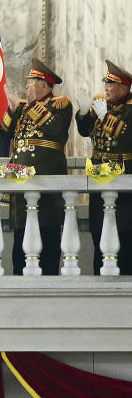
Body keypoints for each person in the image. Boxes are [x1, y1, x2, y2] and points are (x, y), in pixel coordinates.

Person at [0, 58, 71, 275]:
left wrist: (32, 106)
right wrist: (13, 109)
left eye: (31, 81)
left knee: (48, 239)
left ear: (44, 84)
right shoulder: (23, 107)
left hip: (45, 183)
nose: (27, 85)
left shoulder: (60, 104)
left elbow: (56, 130)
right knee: (20, 243)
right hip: (21, 185)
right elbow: (4, 134)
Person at [75, 60, 132, 275]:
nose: (106, 88)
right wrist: (82, 112)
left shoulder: (128, 110)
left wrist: (106, 118)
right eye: (105, 84)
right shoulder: (102, 106)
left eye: (111, 84)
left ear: (124, 89)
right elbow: (85, 131)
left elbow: (127, 137)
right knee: (98, 230)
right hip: (100, 176)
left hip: (123, 180)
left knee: (122, 232)